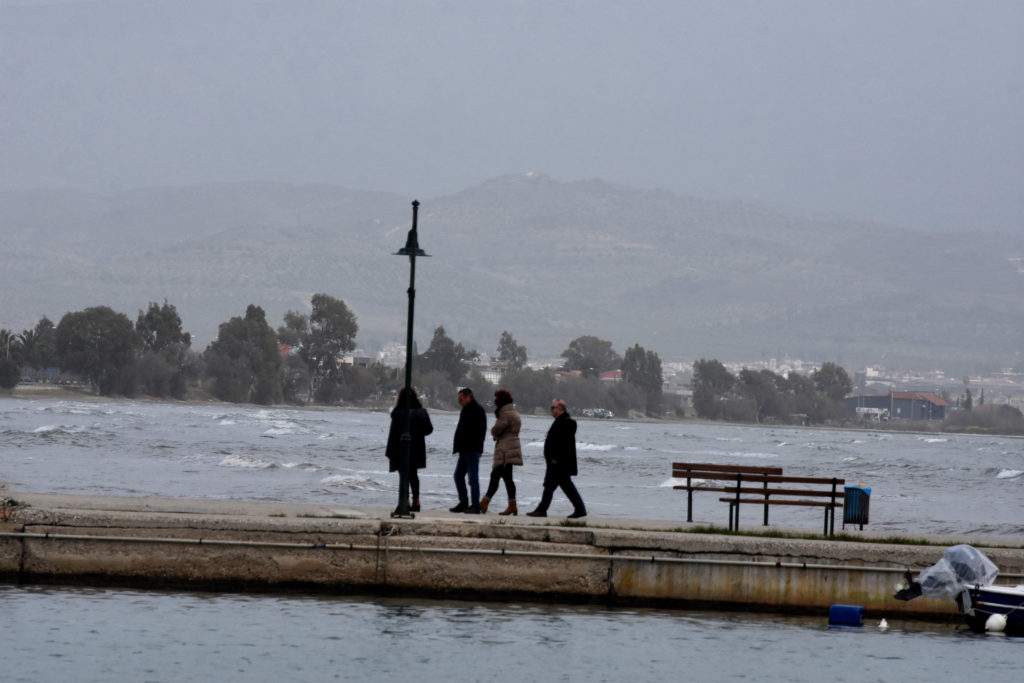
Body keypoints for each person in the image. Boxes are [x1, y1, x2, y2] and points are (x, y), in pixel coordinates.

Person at [526, 399, 587, 518]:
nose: (551, 410)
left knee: (555, 486)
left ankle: (542, 510)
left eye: (552, 408)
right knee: (555, 485)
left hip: (559, 462)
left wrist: (555, 457)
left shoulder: (566, 422)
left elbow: (564, 443)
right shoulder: (560, 421)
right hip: (556, 462)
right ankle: (579, 509)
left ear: (560, 409)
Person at [385, 387, 433, 512]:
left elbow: (394, 433)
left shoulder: (398, 412)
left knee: (403, 476)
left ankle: (405, 501)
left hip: (401, 449)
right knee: (414, 476)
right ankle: (416, 501)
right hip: (417, 449)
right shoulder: (421, 412)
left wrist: (390, 452)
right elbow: (429, 430)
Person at [481, 389, 522, 515]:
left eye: (496, 399)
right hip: (511, 447)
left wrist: (494, 433)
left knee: (495, 477)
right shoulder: (514, 412)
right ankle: (512, 505)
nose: (494, 401)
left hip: (505, 450)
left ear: (501, 401)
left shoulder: (505, 414)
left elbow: (497, 430)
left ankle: (483, 504)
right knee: (508, 479)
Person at [450, 387, 487, 513]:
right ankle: (464, 502)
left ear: (468, 397)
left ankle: (475, 505)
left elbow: (480, 432)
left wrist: (471, 446)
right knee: (458, 476)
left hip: (471, 450)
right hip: (465, 450)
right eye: (458, 399)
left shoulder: (476, 410)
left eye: (461, 399)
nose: (459, 402)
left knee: (472, 478)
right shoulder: (467, 409)